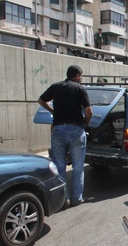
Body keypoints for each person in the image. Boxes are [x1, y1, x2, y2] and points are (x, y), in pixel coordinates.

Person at [38, 65, 93, 206]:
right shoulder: (79, 88)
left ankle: (63, 200)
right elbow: (89, 111)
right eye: (81, 76)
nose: (81, 79)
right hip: (76, 130)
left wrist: (53, 111)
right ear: (77, 76)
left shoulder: (55, 86)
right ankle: (76, 198)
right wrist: (85, 123)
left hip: (58, 130)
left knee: (59, 166)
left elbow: (41, 100)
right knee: (78, 167)